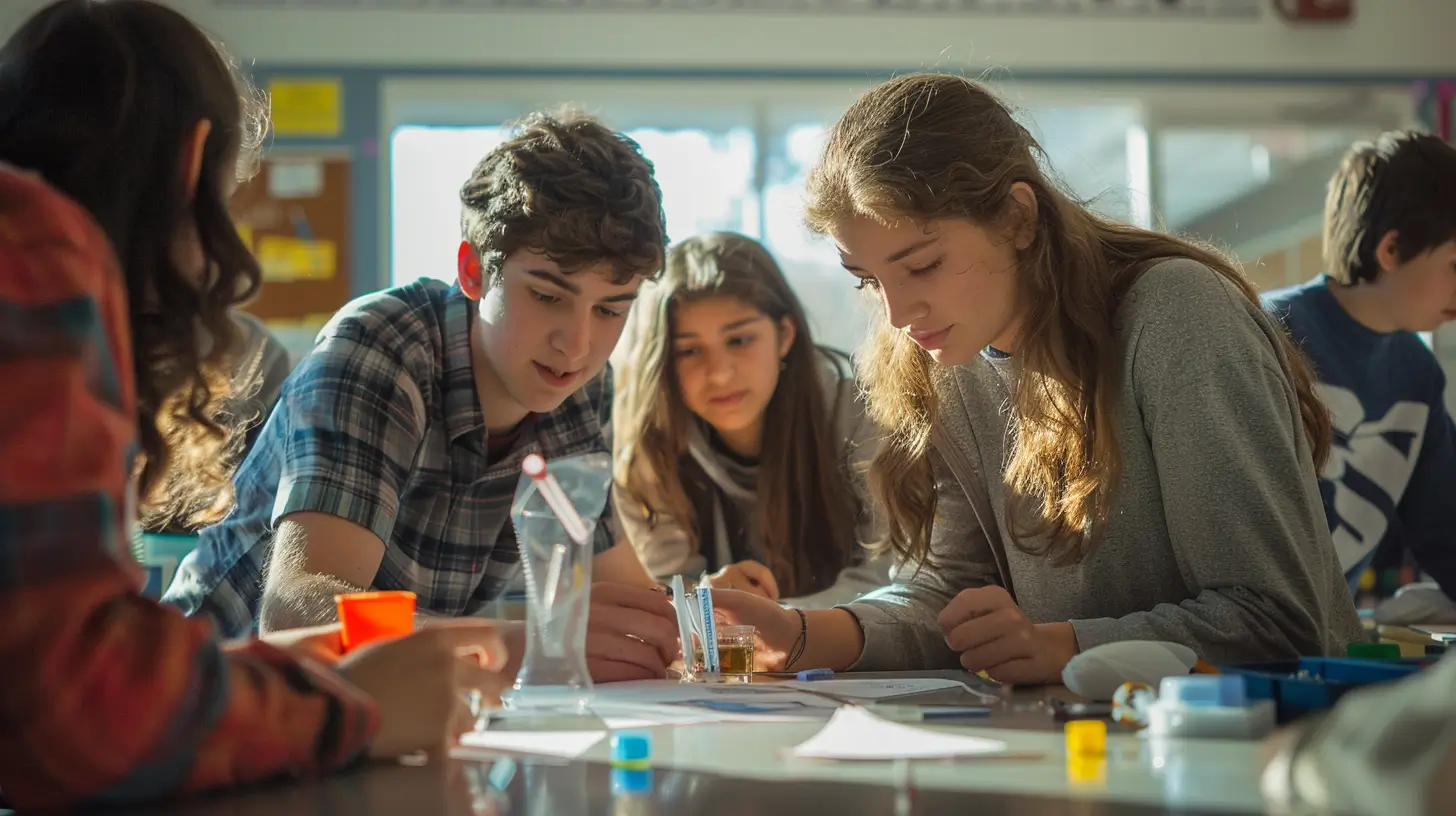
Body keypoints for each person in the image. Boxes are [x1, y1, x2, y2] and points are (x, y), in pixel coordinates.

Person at [0, 1, 505, 808]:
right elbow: (70, 708)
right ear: (192, 161)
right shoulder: (34, 254)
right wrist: (353, 712)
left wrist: (296, 677)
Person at [712, 73, 1363, 683]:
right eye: (869, 280)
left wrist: (1059, 646)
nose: (897, 314)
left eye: (923, 264)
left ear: (1018, 219)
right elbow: (952, 595)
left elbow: (1277, 623)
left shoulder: (1178, 315)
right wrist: (799, 633)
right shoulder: (946, 358)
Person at [164, 110, 683, 683]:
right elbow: (297, 610)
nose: (578, 345)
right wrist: (532, 644)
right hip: (199, 693)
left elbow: (626, 595)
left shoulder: (577, 386)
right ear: (473, 271)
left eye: (610, 309)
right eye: (547, 296)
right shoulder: (380, 348)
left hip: (366, 709)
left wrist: (691, 615)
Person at [611, 232, 889, 609]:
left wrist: (784, 623)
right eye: (689, 350)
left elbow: (891, 576)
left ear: (784, 335)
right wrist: (705, 597)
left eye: (740, 340)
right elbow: (667, 596)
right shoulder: (648, 451)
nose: (720, 374)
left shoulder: (860, 416)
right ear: (664, 364)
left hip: (861, 660)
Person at [1263, 131, 1456, 600]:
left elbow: (1445, 531)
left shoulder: (1418, 372)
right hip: (1235, 643)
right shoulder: (1264, 332)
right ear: (1390, 250)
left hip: (1328, 643)